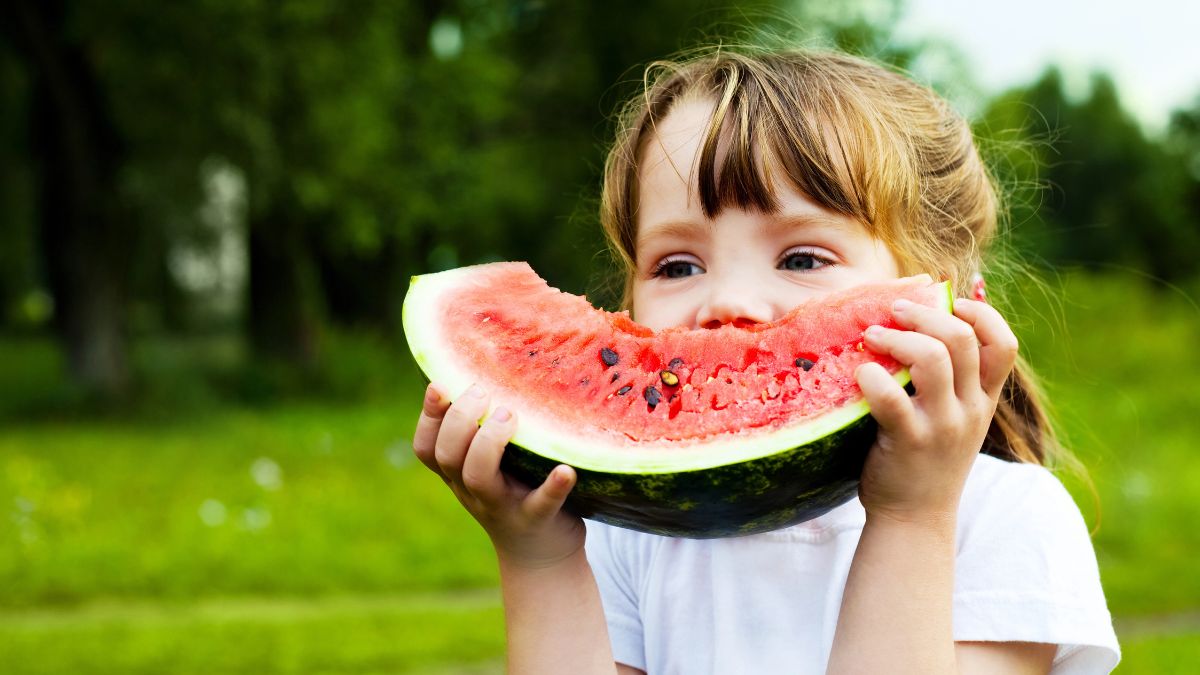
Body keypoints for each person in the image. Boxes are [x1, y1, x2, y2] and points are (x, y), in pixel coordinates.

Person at [411, 48, 1119, 674]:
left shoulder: (1008, 521)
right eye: (677, 264)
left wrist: (913, 515)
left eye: (802, 256)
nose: (729, 303)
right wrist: (541, 557)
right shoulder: (632, 539)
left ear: (952, 302)